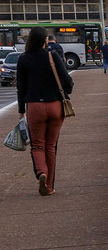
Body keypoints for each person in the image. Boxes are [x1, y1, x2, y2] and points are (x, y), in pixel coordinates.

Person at [17, 27, 74, 196]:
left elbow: (21, 87)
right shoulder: (52, 56)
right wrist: (66, 92)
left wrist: (21, 111)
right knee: (51, 146)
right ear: (45, 40)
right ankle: (49, 186)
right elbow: (67, 80)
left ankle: (41, 173)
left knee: (37, 146)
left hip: (35, 107)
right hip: (55, 106)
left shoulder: (23, 59)